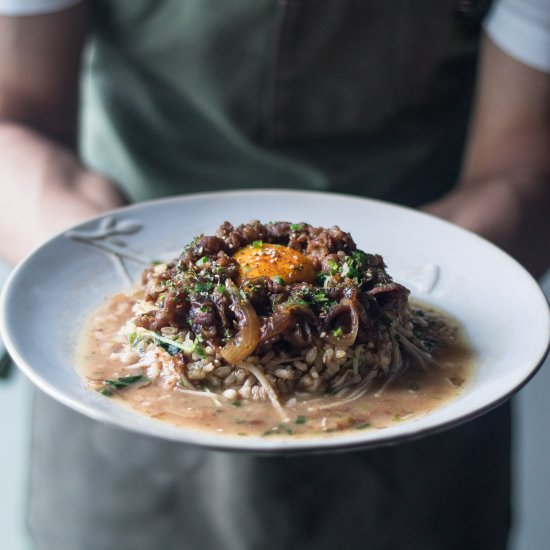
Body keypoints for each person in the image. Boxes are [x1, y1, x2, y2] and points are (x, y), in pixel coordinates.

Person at [0, 0, 549, 548]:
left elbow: (523, 163)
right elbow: (15, 116)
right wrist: (91, 257)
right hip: (120, 422)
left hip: (418, 433)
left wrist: (441, 275)